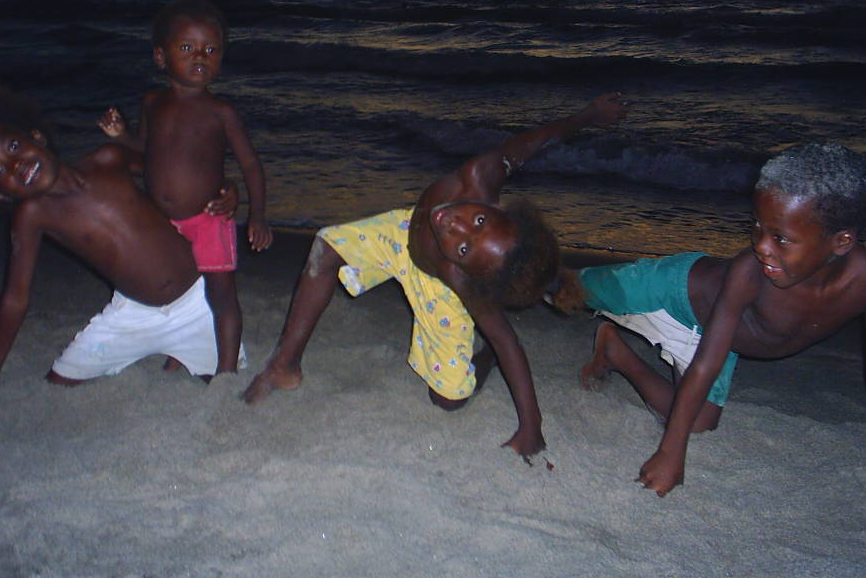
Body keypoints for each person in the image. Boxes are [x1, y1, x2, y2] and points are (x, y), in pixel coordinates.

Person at [242, 94, 628, 460]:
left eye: (464, 248)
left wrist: (532, 426)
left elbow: (507, 341)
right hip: (404, 232)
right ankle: (283, 366)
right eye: (479, 220)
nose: (455, 225)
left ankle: (483, 360)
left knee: (448, 399)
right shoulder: (479, 175)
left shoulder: (463, 280)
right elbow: (535, 141)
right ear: (498, 207)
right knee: (325, 249)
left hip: (437, 285)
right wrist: (588, 116)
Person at [568, 142, 866, 510]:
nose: (761, 246)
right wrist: (670, 452)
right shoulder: (748, 271)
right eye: (757, 227)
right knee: (563, 288)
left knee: (699, 422)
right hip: (669, 290)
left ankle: (615, 351)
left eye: (781, 238)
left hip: (718, 334)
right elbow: (707, 364)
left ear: (841, 241)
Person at [0, 86, 243, 406]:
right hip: (134, 314)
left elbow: (176, 176)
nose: (15, 165)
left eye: (12, 146)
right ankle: (168, 350)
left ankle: (179, 351)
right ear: (0, 194)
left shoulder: (108, 159)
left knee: (223, 378)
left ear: (36, 136)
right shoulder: (33, 215)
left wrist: (224, 187)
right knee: (58, 382)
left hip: (199, 302)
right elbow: (15, 297)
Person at [99, 0, 271, 375]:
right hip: (160, 221)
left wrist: (257, 214)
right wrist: (121, 134)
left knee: (221, 294)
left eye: (211, 49)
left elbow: (250, 163)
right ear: (161, 57)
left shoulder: (221, 111)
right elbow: (145, 150)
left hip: (208, 219)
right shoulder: (152, 102)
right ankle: (180, 351)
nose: (200, 57)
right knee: (177, 290)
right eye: (187, 47)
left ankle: (226, 370)